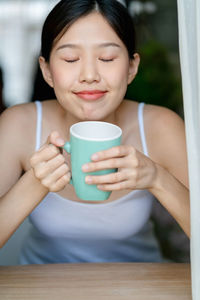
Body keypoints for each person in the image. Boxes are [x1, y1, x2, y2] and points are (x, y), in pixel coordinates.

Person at [0, 0, 189, 264]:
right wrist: (33, 184)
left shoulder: (161, 126)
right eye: (70, 59)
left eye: (107, 58)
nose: (89, 75)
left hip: (141, 286)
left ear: (132, 68)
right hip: (42, 287)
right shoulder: (18, 124)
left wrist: (158, 178)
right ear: (47, 70)